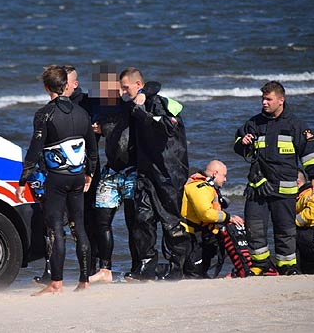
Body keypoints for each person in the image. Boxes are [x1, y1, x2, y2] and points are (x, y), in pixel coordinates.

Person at [16, 65, 98, 295]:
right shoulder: (83, 114)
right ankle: (84, 281)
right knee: (79, 228)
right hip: (77, 177)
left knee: (56, 229)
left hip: (56, 180)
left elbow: (34, 150)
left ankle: (56, 284)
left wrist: (23, 180)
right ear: (65, 85)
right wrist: (89, 173)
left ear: (46, 87)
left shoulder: (44, 114)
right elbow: (92, 150)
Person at [234, 80, 314, 276]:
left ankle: (287, 267)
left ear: (281, 100)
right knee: (254, 228)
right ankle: (261, 266)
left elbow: (309, 153)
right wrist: (244, 143)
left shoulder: (296, 125)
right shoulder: (253, 123)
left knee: (285, 229)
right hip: (257, 187)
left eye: (268, 99)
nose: (264, 103)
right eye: (262, 99)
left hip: (285, 188)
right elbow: (240, 147)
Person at [87, 66, 160, 283]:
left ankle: (137, 267)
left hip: (133, 170)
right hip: (111, 170)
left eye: (113, 88)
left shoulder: (132, 104)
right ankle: (105, 269)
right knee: (102, 220)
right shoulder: (99, 110)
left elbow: (154, 85)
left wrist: (143, 94)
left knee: (133, 221)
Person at [119, 67, 189, 281]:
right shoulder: (133, 103)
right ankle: (147, 267)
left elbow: (167, 129)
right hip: (146, 174)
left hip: (169, 174)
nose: (123, 92)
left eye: (126, 87)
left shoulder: (161, 103)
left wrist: (142, 112)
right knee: (143, 219)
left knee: (171, 222)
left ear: (138, 85)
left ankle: (177, 267)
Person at [179, 160, 245, 278]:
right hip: (191, 236)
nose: (225, 180)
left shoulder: (207, 187)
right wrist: (228, 217)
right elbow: (206, 214)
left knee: (202, 269)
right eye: (224, 175)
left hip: (202, 234)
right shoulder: (200, 187)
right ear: (215, 173)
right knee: (193, 273)